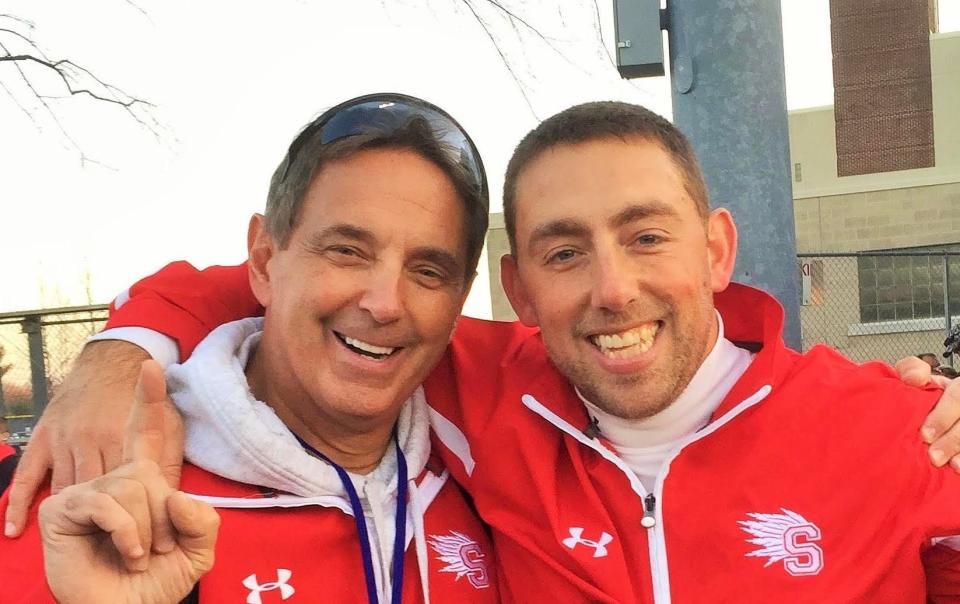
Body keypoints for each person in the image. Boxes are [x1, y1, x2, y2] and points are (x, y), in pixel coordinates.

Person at [9, 101, 960, 601]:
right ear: (517, 288)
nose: (612, 289)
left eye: (647, 236)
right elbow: (297, 287)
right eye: (562, 252)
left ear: (716, 249)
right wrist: (122, 351)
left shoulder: (900, 429)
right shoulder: (487, 388)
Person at [2, 94, 499, 603]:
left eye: (428, 271)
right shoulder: (85, 496)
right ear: (263, 262)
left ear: (459, 299)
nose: (385, 303)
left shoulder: (491, 457)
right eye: (346, 251)